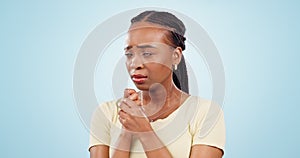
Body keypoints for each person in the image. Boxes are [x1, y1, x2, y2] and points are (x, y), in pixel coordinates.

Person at [89, 10, 225, 158]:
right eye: (129, 54)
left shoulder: (205, 113)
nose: (135, 64)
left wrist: (144, 130)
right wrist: (125, 133)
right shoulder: (107, 113)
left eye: (147, 53)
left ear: (175, 56)